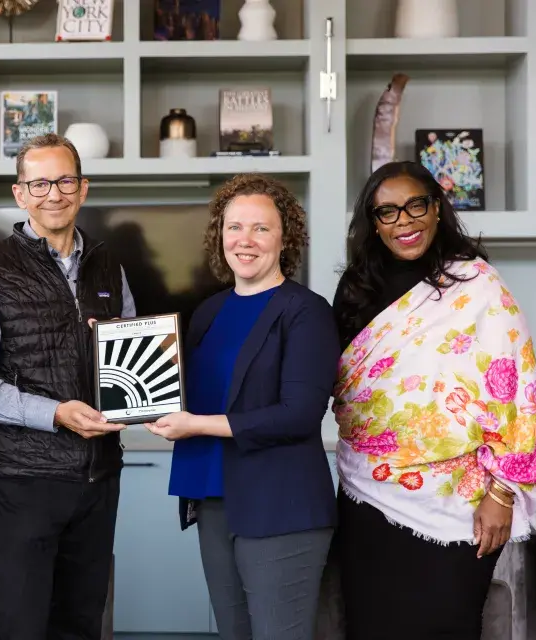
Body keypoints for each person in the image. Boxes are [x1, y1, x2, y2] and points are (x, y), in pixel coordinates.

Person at [331, 161, 536, 640]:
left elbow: (518, 392)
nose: (403, 221)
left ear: (436, 208)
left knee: (445, 624)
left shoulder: (478, 285)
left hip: (462, 499)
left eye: (415, 206)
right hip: (367, 491)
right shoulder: (355, 289)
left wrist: (501, 493)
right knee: (371, 625)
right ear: (373, 222)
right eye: (386, 212)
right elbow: (343, 387)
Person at [0, 132, 137, 640]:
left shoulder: (109, 267)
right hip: (20, 484)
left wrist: (143, 399)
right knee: (17, 627)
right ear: (20, 193)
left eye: (66, 180)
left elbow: (134, 353)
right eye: (41, 182)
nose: (55, 193)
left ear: (84, 188)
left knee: (80, 625)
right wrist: (53, 412)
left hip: (98, 483)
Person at [144, 173, 340, 639]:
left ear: (285, 237)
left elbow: (299, 413)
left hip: (280, 505)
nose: (245, 240)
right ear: (220, 235)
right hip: (213, 499)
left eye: (261, 228)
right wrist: (113, 355)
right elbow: (180, 391)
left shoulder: (305, 311)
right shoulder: (210, 311)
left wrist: (197, 424)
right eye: (234, 227)